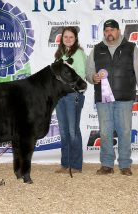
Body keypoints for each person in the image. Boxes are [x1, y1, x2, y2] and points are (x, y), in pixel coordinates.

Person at [86, 19, 138, 176]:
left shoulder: (131, 48)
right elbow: (88, 72)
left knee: (125, 132)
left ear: (118, 31)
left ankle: (125, 164)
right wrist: (93, 77)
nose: (109, 33)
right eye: (106, 31)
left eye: (112, 30)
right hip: (103, 99)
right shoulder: (96, 49)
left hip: (125, 98)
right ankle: (107, 164)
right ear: (104, 33)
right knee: (105, 132)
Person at [54, 26, 87, 174]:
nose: (68, 39)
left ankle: (76, 165)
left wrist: (67, 69)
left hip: (73, 95)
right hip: (60, 96)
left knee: (73, 131)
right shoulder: (59, 54)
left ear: (75, 39)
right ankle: (65, 164)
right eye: (65, 37)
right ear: (62, 39)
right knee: (63, 131)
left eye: (71, 37)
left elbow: (81, 75)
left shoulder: (79, 54)